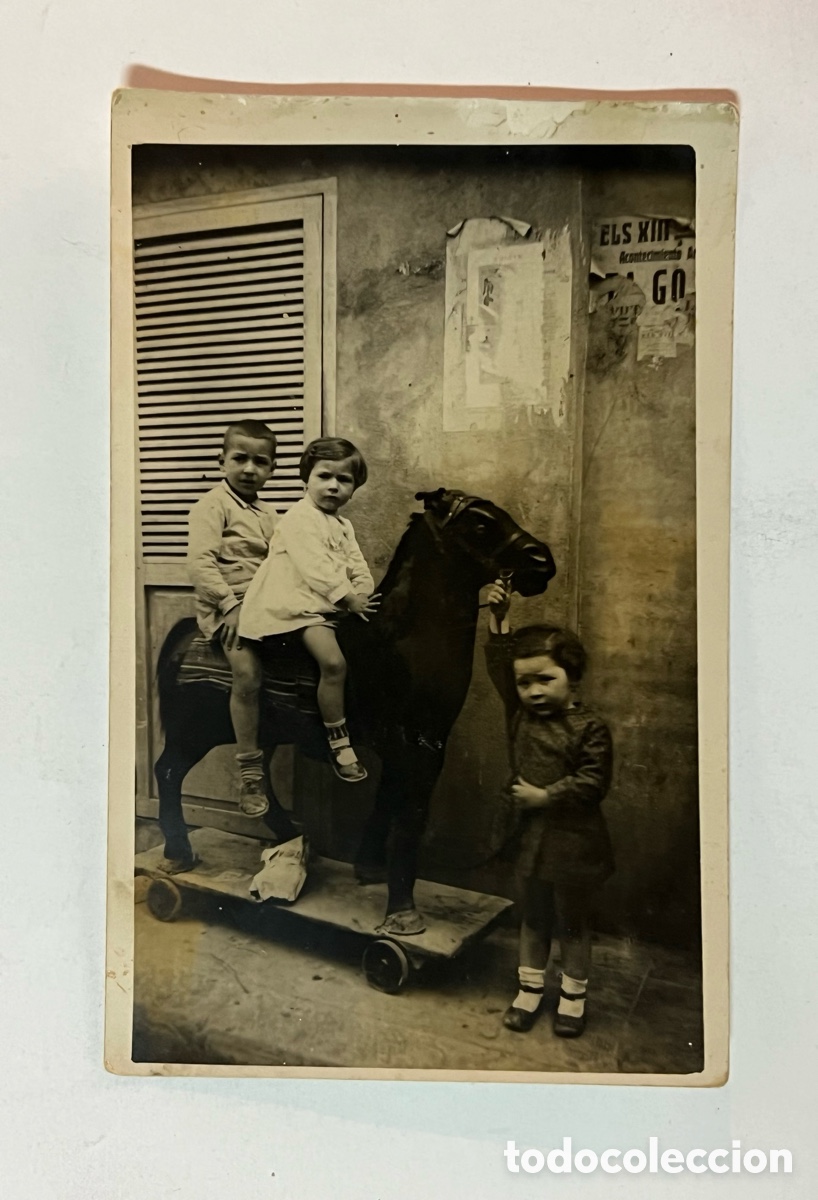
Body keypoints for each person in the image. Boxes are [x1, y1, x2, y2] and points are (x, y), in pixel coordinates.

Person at [484, 578, 615, 1038]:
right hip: (528, 838)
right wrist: (499, 621)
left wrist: (546, 796)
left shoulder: (590, 727)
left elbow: (594, 781)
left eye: (546, 679)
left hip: (573, 843)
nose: (534, 690)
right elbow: (501, 668)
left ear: (572, 677)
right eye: (525, 682)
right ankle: (530, 992)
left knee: (573, 922)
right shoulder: (519, 713)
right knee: (534, 915)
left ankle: (574, 999)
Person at [240, 437, 378, 782]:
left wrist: (362, 590)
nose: (333, 486)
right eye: (324, 476)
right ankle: (338, 740)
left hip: (323, 602)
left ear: (354, 488)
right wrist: (347, 598)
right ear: (306, 479)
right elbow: (315, 568)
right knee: (333, 662)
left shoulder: (344, 526)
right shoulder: (299, 518)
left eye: (344, 480)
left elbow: (357, 565)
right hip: (292, 606)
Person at [186, 419, 278, 817]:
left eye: (261, 462)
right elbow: (201, 564)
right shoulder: (212, 506)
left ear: (272, 469)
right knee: (247, 673)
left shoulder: (269, 513)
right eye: (239, 458)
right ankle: (250, 772)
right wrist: (229, 606)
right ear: (221, 460)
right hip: (227, 605)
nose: (249, 469)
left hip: (264, 603)